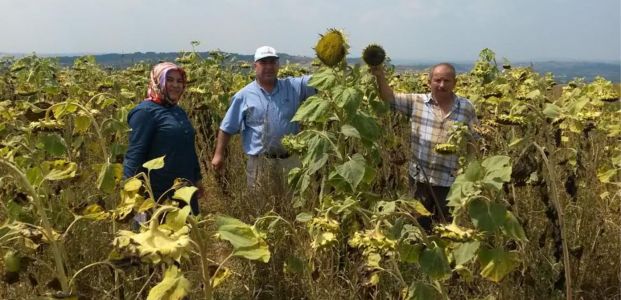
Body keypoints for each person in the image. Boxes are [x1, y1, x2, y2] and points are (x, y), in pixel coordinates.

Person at [370, 63, 478, 230]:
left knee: (449, 226)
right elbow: (388, 97)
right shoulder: (417, 102)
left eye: (447, 81)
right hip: (420, 179)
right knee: (419, 226)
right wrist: (379, 76)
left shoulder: (466, 107)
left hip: (450, 180)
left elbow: (473, 138)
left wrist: (469, 168)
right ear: (429, 82)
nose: (442, 85)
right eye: (437, 80)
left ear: (455, 83)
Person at [211, 46, 316, 198]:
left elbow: (318, 81)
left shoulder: (293, 86)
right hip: (260, 163)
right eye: (263, 62)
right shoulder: (244, 95)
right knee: (261, 206)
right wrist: (218, 154)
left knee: (293, 204)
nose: (269, 67)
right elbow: (227, 127)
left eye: (272, 62)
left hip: (290, 161)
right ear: (255, 66)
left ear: (278, 65)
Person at [123, 62, 202, 215]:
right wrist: (131, 192)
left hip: (184, 187)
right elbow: (135, 153)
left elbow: (188, 149)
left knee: (186, 233)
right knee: (156, 234)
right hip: (158, 190)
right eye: (170, 80)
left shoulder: (178, 111)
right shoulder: (144, 112)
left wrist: (197, 178)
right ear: (157, 81)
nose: (176, 85)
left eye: (179, 81)